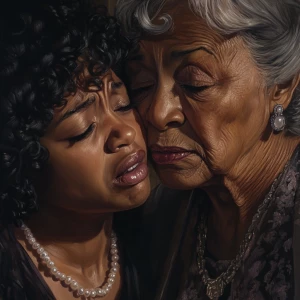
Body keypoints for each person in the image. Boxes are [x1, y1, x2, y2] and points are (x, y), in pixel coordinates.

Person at [116, 0, 300, 299]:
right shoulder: (159, 214)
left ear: (281, 85)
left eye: (195, 84)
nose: (158, 113)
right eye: (142, 84)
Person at [0, 0, 150, 299]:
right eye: (84, 130)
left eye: (122, 104)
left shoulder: (164, 237)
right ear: (23, 158)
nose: (126, 132)